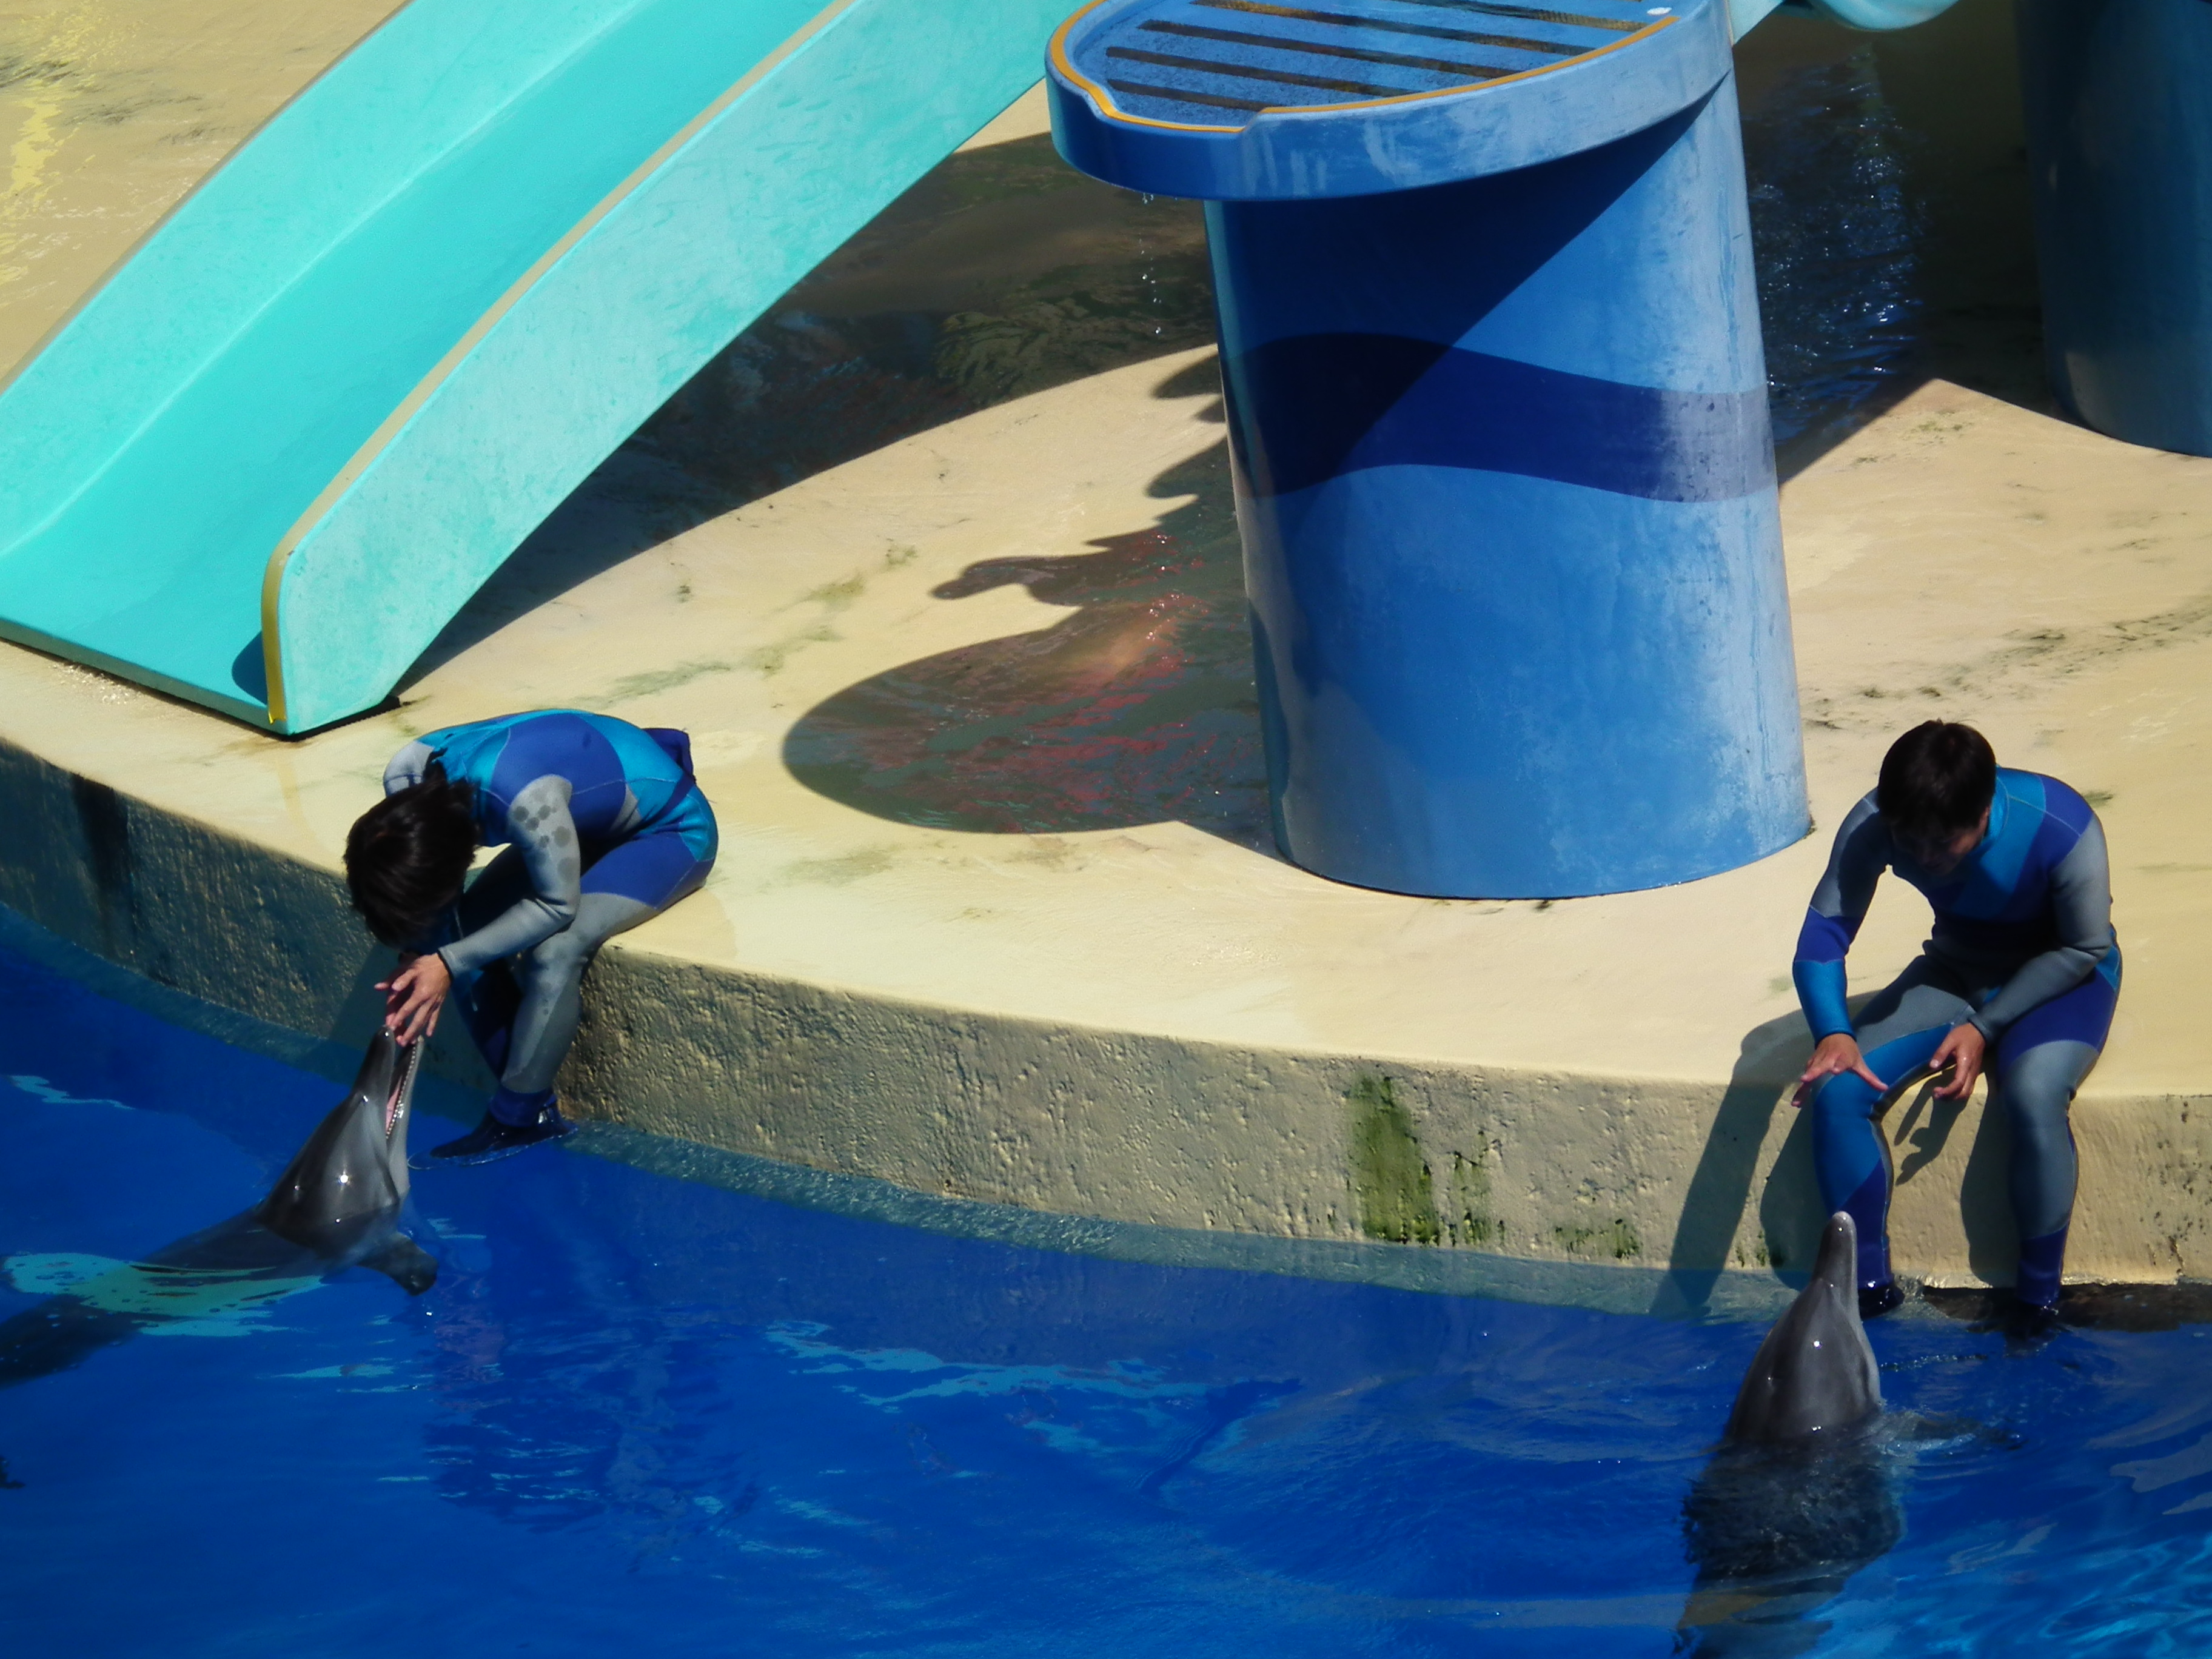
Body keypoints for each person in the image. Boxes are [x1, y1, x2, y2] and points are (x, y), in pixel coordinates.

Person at [1791, 720, 2119, 1330]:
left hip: (2061, 978)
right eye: (1909, 844)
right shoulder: (1878, 819)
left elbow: (2084, 948)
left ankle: (2037, 1304)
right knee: (1839, 1089)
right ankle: (1865, 1298)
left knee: (2033, 1092)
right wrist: (1832, 1032)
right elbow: (1824, 935)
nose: (1924, 860)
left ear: (1986, 810)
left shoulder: (2061, 825)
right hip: (1955, 969)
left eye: (1943, 846)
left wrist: (1986, 1026)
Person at [343, 709, 718, 1163]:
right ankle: (522, 1090)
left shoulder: (523, 800)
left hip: (666, 830)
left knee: (556, 949)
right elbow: (436, 909)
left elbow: (557, 906)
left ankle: (520, 1121)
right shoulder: (406, 780)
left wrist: (445, 962)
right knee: (457, 937)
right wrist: (418, 953)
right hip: (577, 826)